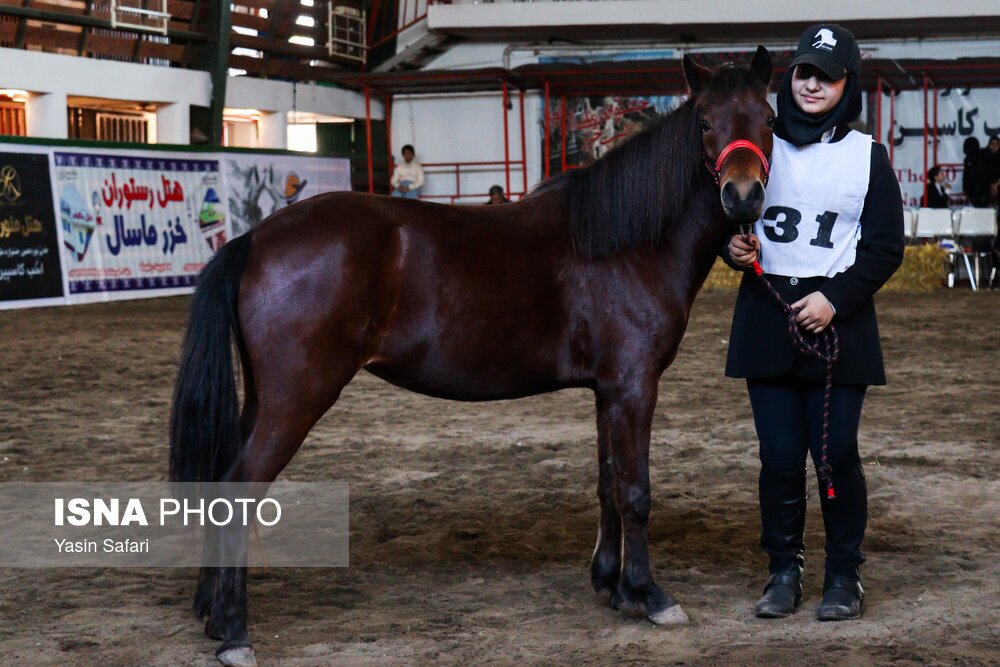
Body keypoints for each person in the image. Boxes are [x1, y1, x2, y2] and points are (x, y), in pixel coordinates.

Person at [722, 24, 904, 622]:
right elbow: (724, 217)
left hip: (837, 325)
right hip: (767, 317)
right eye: (804, 72)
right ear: (790, 77)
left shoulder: (868, 157)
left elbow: (885, 248)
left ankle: (844, 575)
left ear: (847, 86)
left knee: (835, 454)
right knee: (778, 458)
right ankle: (783, 570)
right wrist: (732, 248)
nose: (812, 85)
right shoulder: (758, 145)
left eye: (827, 77)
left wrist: (835, 299)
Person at [962, 138, 990, 207]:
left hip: (979, 189)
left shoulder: (980, 157)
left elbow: (981, 174)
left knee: (980, 208)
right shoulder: (968, 158)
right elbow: (966, 174)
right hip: (975, 189)